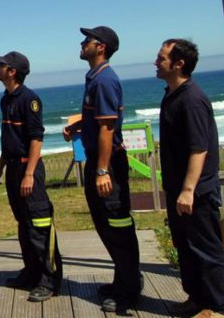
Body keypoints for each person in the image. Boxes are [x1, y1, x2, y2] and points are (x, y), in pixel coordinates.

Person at [62, 27, 141, 312]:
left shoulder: (105, 80)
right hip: (99, 161)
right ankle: (123, 280)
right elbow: (97, 120)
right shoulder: (94, 78)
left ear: (101, 48)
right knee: (105, 225)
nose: (82, 44)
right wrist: (77, 127)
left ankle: (129, 290)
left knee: (117, 226)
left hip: (107, 165)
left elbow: (108, 128)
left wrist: (103, 171)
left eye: (87, 41)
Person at [155, 39, 224, 318]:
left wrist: (188, 190)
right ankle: (198, 299)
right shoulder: (172, 94)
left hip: (197, 193)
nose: (155, 62)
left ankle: (220, 307)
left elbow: (199, 148)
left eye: (161, 58)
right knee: (185, 248)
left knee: (206, 251)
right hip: (179, 191)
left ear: (178, 64)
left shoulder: (192, 99)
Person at [0, 51, 62, 302]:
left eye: (1, 65)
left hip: (28, 169)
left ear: (12, 72)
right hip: (12, 168)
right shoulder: (5, 99)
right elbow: (8, 138)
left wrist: (29, 174)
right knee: (24, 224)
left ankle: (48, 279)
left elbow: (36, 138)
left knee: (39, 224)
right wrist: (0, 168)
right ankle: (31, 272)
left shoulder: (29, 99)